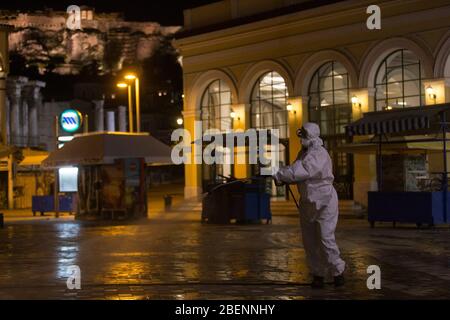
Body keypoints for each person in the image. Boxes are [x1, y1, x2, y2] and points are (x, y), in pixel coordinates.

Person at [273, 122, 345, 288]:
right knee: (310, 241)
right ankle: (318, 274)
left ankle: (338, 271)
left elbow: (300, 171)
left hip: (324, 201)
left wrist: (279, 174)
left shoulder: (318, 154)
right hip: (308, 202)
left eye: (303, 136)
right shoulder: (304, 153)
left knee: (326, 238)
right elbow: (296, 171)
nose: (301, 139)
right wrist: (282, 177)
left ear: (311, 136)